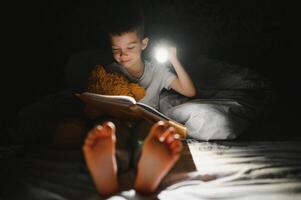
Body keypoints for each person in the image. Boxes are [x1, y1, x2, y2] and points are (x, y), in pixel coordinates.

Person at [82, 4, 196, 196]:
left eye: (130, 47)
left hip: (145, 121)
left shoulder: (158, 71)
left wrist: (174, 59)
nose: (122, 54)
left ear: (144, 44)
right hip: (119, 119)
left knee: (149, 131)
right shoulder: (110, 71)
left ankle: (147, 168)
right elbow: (94, 103)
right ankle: (112, 163)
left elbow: (189, 91)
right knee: (111, 129)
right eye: (115, 49)